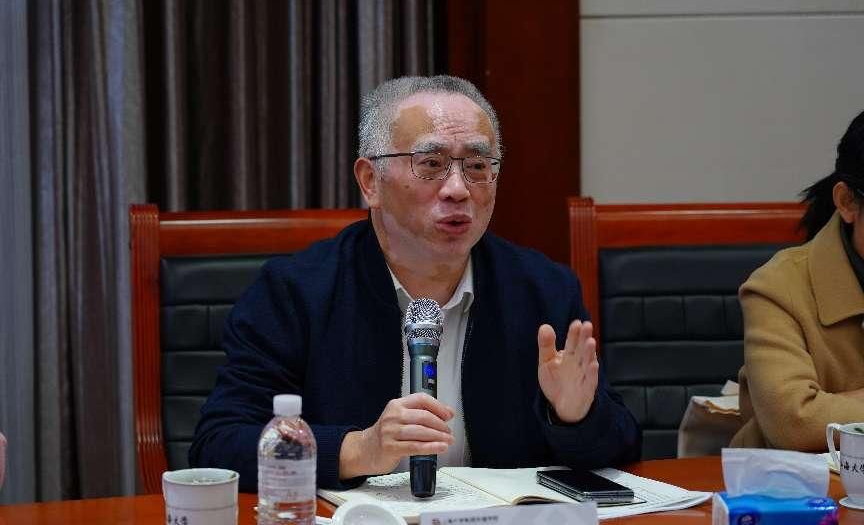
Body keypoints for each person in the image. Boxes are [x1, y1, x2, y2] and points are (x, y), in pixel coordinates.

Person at [190, 75, 640, 492]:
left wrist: (574, 417)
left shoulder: (542, 289)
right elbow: (220, 443)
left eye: (477, 165)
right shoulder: (295, 292)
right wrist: (358, 449)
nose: (458, 189)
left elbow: (623, 445)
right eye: (431, 164)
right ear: (370, 181)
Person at [732, 109, 864, 450]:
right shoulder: (778, 287)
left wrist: (838, 406)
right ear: (847, 202)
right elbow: (795, 422)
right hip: (798, 481)